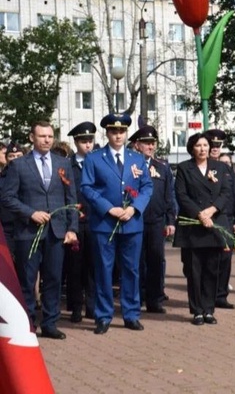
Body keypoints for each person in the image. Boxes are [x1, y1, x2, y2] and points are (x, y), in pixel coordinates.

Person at [0, 121, 79, 340]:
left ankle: (50, 323)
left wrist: (72, 229)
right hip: (28, 231)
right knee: (27, 280)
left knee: (53, 279)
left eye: (50, 136)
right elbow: (7, 198)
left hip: (56, 232)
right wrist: (30, 213)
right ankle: (27, 323)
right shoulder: (19, 165)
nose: (47, 140)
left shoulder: (63, 163)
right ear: (31, 138)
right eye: (42, 136)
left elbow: (71, 199)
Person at [81, 113, 153, 335]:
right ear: (107, 133)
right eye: (114, 131)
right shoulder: (94, 158)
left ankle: (131, 314)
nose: (118, 135)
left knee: (131, 270)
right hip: (105, 222)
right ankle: (103, 315)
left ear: (126, 133)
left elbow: (147, 186)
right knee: (104, 270)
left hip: (131, 223)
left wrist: (134, 208)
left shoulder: (137, 158)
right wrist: (107, 207)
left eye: (122, 131)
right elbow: (86, 187)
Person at [173, 133, 231, 325]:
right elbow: (181, 195)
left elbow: (226, 192)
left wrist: (211, 211)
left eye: (206, 145)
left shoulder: (220, 168)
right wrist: (199, 214)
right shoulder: (184, 168)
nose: (203, 148)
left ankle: (209, 309)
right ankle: (197, 310)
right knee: (194, 270)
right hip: (194, 226)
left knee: (212, 270)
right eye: (199, 145)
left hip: (213, 224)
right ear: (192, 148)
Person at [129, 125, 176, 314]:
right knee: (136, 261)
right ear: (137, 145)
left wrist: (171, 220)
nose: (151, 146)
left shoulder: (162, 167)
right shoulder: (129, 164)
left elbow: (169, 196)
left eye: (153, 143)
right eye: (146, 143)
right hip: (135, 219)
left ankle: (155, 299)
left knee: (156, 260)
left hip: (156, 221)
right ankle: (137, 297)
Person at [204, 129, 235, 308]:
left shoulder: (226, 169)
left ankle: (221, 296)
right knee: (209, 261)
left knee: (225, 260)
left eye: (218, 145)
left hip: (225, 219)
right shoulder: (201, 167)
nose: (215, 148)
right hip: (207, 219)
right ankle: (207, 295)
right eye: (212, 145)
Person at [65, 121, 97, 322]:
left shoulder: (99, 163)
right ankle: (76, 307)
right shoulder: (67, 165)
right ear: (76, 142)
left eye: (90, 141)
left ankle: (92, 307)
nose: (88, 145)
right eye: (84, 141)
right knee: (74, 267)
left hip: (96, 221)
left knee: (94, 266)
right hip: (75, 222)